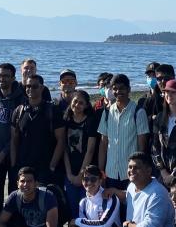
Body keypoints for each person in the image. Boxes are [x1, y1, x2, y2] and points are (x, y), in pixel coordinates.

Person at [11, 75, 65, 186]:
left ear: (42, 88)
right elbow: (14, 140)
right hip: (23, 167)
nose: (30, 89)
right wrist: (14, 165)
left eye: (34, 86)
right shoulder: (19, 111)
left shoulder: (52, 110)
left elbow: (61, 140)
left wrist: (52, 166)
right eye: (28, 86)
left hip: (45, 168)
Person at [97, 74, 150, 188]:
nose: (118, 91)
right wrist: (101, 172)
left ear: (129, 89)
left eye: (121, 88)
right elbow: (103, 144)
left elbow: (142, 147)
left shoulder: (138, 112)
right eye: (115, 88)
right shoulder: (107, 113)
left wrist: (140, 172)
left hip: (131, 174)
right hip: (110, 173)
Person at [0, 62, 25, 201]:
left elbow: (18, 132)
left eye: (6, 76)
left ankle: (11, 221)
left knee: (13, 191)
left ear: (13, 78)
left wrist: (4, 152)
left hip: (13, 154)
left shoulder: (21, 100)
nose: (2, 79)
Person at [62, 89, 100, 219]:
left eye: (81, 103)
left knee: (86, 211)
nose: (77, 105)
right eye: (75, 101)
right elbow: (65, 148)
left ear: (86, 105)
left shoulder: (90, 121)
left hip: (86, 173)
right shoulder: (66, 120)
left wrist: (81, 175)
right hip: (70, 172)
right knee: (72, 211)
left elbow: (90, 150)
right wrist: (69, 174)